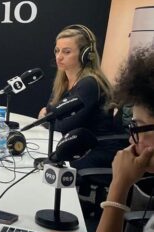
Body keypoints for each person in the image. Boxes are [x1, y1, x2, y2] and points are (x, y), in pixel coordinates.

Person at [37, 47, 154, 232]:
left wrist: (119, 185)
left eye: (135, 127)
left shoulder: (89, 84)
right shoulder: (68, 83)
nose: (131, 141)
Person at [38, 24, 126, 170]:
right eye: (57, 50)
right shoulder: (62, 81)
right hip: (75, 145)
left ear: (85, 54)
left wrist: (47, 119)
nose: (59, 57)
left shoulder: (89, 84)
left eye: (66, 52)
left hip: (95, 150)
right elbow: (51, 111)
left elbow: (64, 126)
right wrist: (49, 118)